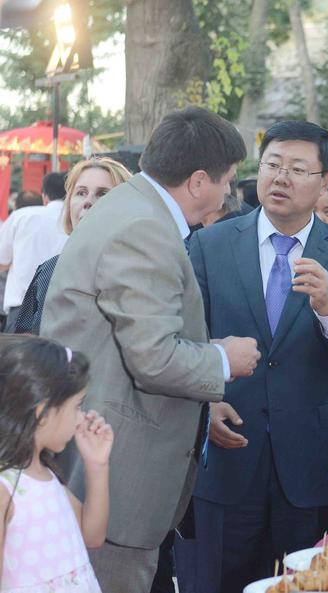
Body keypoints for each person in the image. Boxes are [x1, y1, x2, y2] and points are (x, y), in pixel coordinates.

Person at [40, 106, 261, 593]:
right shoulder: (142, 227)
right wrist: (225, 360)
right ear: (199, 181)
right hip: (117, 470)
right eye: (227, 181)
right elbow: (155, 358)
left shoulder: (134, 212)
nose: (229, 193)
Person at [188, 120, 328, 593]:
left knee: (304, 583)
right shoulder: (209, 245)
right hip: (228, 445)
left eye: (297, 168)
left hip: (310, 461)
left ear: (323, 180)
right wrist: (203, 400)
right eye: (273, 164)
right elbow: (183, 338)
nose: (280, 178)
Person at [0, 335, 114, 593]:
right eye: (77, 406)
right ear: (43, 414)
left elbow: (93, 535)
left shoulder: (45, 474)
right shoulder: (6, 489)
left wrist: (97, 465)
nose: (81, 418)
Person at [13, 157, 133, 335]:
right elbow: (26, 340)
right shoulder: (48, 270)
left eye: (102, 194)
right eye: (81, 192)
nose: (88, 201)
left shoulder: (141, 268)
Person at [0, 172, 68, 331]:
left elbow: (2, 260)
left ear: (45, 196)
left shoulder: (21, 216)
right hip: (63, 309)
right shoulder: (78, 218)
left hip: (21, 307)